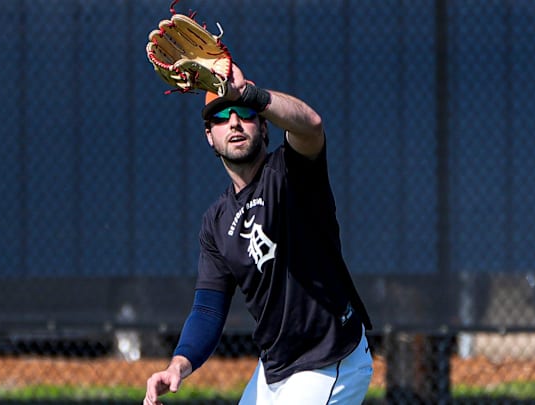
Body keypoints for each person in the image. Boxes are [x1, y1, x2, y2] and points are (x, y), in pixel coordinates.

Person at [143, 63, 374, 405]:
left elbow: (311, 126)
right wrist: (179, 363)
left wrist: (251, 93)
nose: (234, 121)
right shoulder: (216, 222)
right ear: (210, 136)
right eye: (221, 116)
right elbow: (208, 308)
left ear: (264, 127)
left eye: (244, 112)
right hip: (275, 369)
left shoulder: (292, 173)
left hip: (327, 360)